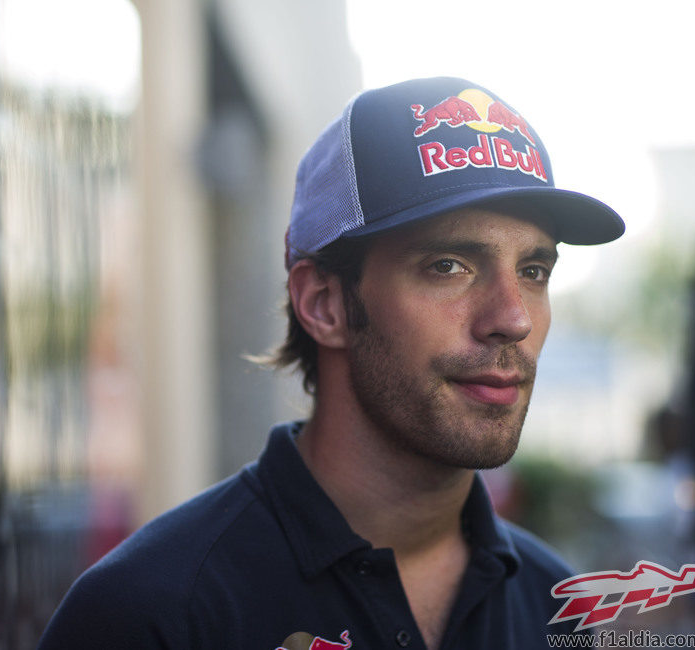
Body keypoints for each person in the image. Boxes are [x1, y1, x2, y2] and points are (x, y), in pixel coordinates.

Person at [38, 77, 624, 649]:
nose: (513, 318)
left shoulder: (558, 607)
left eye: (534, 271)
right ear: (323, 304)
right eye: (448, 265)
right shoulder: (152, 615)